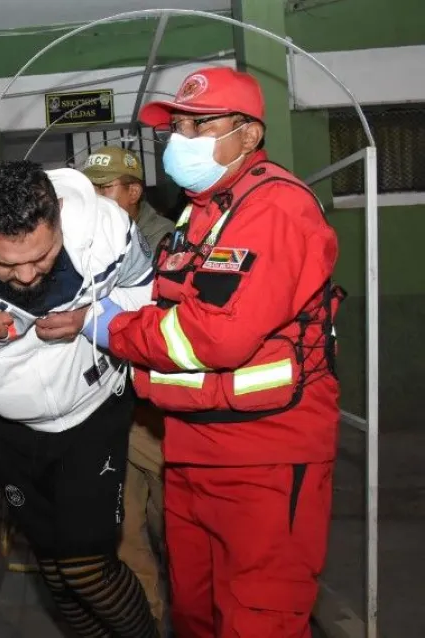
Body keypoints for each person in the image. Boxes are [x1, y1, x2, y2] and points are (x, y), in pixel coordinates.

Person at [92, 67, 344, 638]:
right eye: (177, 127)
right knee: (199, 614)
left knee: (260, 617)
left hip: (265, 454)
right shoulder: (200, 213)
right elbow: (172, 305)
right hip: (192, 445)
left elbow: (214, 335)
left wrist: (114, 332)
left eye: (201, 125)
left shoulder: (272, 208)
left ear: (249, 136)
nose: (182, 140)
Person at [0, 159, 160, 638]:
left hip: (94, 409)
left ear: (59, 212)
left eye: (41, 256)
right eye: (6, 263)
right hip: (10, 427)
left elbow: (145, 294)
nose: (25, 275)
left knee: (87, 567)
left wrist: (92, 317)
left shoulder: (104, 227)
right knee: (57, 571)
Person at [82, 146, 175, 634]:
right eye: (87, 190)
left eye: (104, 189)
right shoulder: (82, 239)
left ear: (134, 191)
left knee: (175, 533)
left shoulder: (168, 243)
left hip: (155, 411)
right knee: (123, 538)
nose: (93, 199)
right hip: (109, 410)